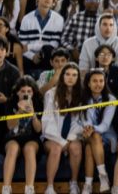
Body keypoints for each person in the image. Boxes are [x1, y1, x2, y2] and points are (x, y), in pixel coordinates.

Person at [42, 62, 85, 194]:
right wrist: (61, 141)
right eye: (67, 74)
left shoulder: (82, 95)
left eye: (74, 75)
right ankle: (49, 187)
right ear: (62, 76)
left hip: (73, 137)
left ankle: (73, 183)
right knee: (56, 149)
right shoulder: (51, 94)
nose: (70, 78)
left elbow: (80, 121)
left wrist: (70, 139)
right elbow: (47, 121)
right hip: (52, 137)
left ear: (78, 78)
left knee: (76, 147)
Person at [1, 75, 43, 194]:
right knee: (13, 148)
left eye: (29, 91)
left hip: (32, 138)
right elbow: (10, 126)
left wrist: (33, 114)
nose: (26, 94)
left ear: (33, 92)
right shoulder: (10, 103)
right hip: (13, 137)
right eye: (23, 91)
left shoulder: (38, 103)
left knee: (29, 149)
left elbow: (39, 129)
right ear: (17, 92)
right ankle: (6, 188)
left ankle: (29, 188)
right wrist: (19, 112)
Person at [81, 68, 116, 193]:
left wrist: (92, 129)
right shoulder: (83, 98)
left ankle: (88, 184)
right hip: (88, 134)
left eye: (101, 81)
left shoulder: (111, 99)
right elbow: (85, 120)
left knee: (90, 145)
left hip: (106, 135)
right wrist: (88, 128)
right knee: (93, 139)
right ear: (88, 83)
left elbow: (105, 125)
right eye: (94, 81)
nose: (98, 84)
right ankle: (103, 176)